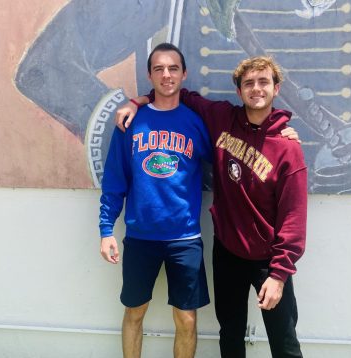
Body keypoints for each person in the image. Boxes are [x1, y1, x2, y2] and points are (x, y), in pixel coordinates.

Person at [119, 55, 307, 357]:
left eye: (263, 82)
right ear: (239, 91)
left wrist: (279, 273)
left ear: (276, 88)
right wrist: (138, 101)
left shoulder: (288, 148)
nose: (256, 89)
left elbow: (294, 218)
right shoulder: (222, 118)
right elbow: (176, 92)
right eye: (248, 83)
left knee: (284, 342)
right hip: (228, 252)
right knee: (230, 336)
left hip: (269, 260)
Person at [98, 43, 213, 358]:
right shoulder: (130, 122)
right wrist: (106, 230)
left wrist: (276, 134)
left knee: (187, 319)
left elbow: (226, 157)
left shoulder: (195, 123)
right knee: (134, 312)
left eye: (173, 68)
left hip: (185, 238)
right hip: (140, 236)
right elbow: (114, 180)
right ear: (149, 74)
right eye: (159, 68)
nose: (166, 75)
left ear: (183, 73)